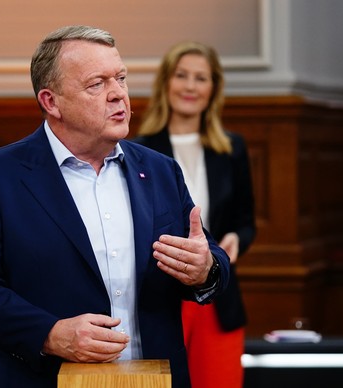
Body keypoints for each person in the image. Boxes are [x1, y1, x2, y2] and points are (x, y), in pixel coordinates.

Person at [0, 26, 230, 388]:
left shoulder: (159, 170)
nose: (118, 95)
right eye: (97, 84)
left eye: (121, 78)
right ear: (51, 102)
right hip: (42, 379)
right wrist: (50, 333)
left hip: (153, 378)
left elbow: (209, 258)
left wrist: (206, 269)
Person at [134, 41, 256, 388]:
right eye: (181, 76)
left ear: (213, 88)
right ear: (165, 83)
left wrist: (235, 240)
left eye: (201, 78)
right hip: (159, 297)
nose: (190, 86)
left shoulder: (232, 148)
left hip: (217, 297)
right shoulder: (138, 150)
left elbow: (246, 221)